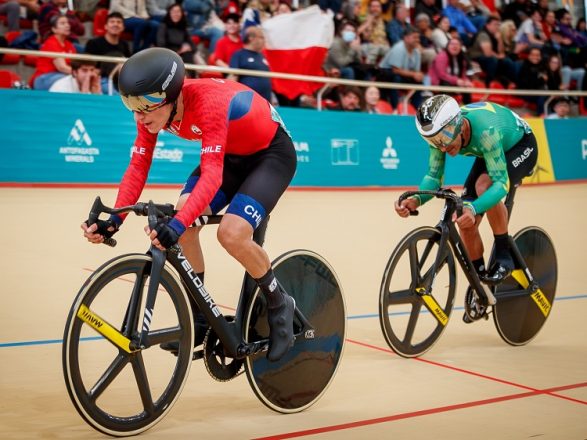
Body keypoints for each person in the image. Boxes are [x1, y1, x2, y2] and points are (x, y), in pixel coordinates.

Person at [80, 47, 297, 362]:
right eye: (130, 104)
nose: (138, 115)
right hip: (231, 157)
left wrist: (179, 222)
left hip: (270, 155)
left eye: (144, 105)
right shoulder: (152, 110)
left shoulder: (208, 102)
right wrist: (115, 220)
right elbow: (138, 168)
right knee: (183, 217)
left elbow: (211, 176)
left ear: (169, 96)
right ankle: (200, 316)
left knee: (231, 233)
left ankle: (279, 302)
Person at [396, 95, 538, 291]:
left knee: (483, 187)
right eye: (435, 141)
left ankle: (504, 256)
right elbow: (434, 177)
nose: (443, 146)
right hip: (489, 149)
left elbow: (501, 184)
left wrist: (475, 207)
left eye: (445, 138)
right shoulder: (439, 135)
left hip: (520, 145)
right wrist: (417, 199)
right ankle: (480, 282)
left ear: (459, 124)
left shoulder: (485, 132)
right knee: (463, 218)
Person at [84, 11, 132, 94]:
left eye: (119, 22)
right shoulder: (94, 43)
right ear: (105, 26)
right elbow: (87, 65)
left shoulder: (124, 44)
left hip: (120, 80)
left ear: (123, 27)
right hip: (101, 79)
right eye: (112, 22)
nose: (115, 24)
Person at [32, 15, 77, 90]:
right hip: (45, 78)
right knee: (71, 80)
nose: (67, 25)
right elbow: (62, 67)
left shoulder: (69, 45)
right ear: (54, 29)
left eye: (67, 23)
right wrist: (79, 74)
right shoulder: (51, 43)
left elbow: (75, 65)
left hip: (62, 75)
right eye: (62, 23)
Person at [228, 26, 272, 101]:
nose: (264, 40)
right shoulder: (239, 55)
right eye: (261, 37)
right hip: (247, 102)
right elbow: (232, 78)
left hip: (265, 103)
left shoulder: (262, 56)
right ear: (251, 38)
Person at [156, 3, 198, 75]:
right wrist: (178, 52)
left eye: (178, 11)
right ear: (169, 13)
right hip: (167, 56)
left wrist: (188, 48)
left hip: (181, 56)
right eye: (173, 11)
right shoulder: (163, 26)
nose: (176, 14)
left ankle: (193, 78)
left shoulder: (183, 28)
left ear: (182, 14)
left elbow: (193, 46)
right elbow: (161, 46)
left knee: (188, 54)